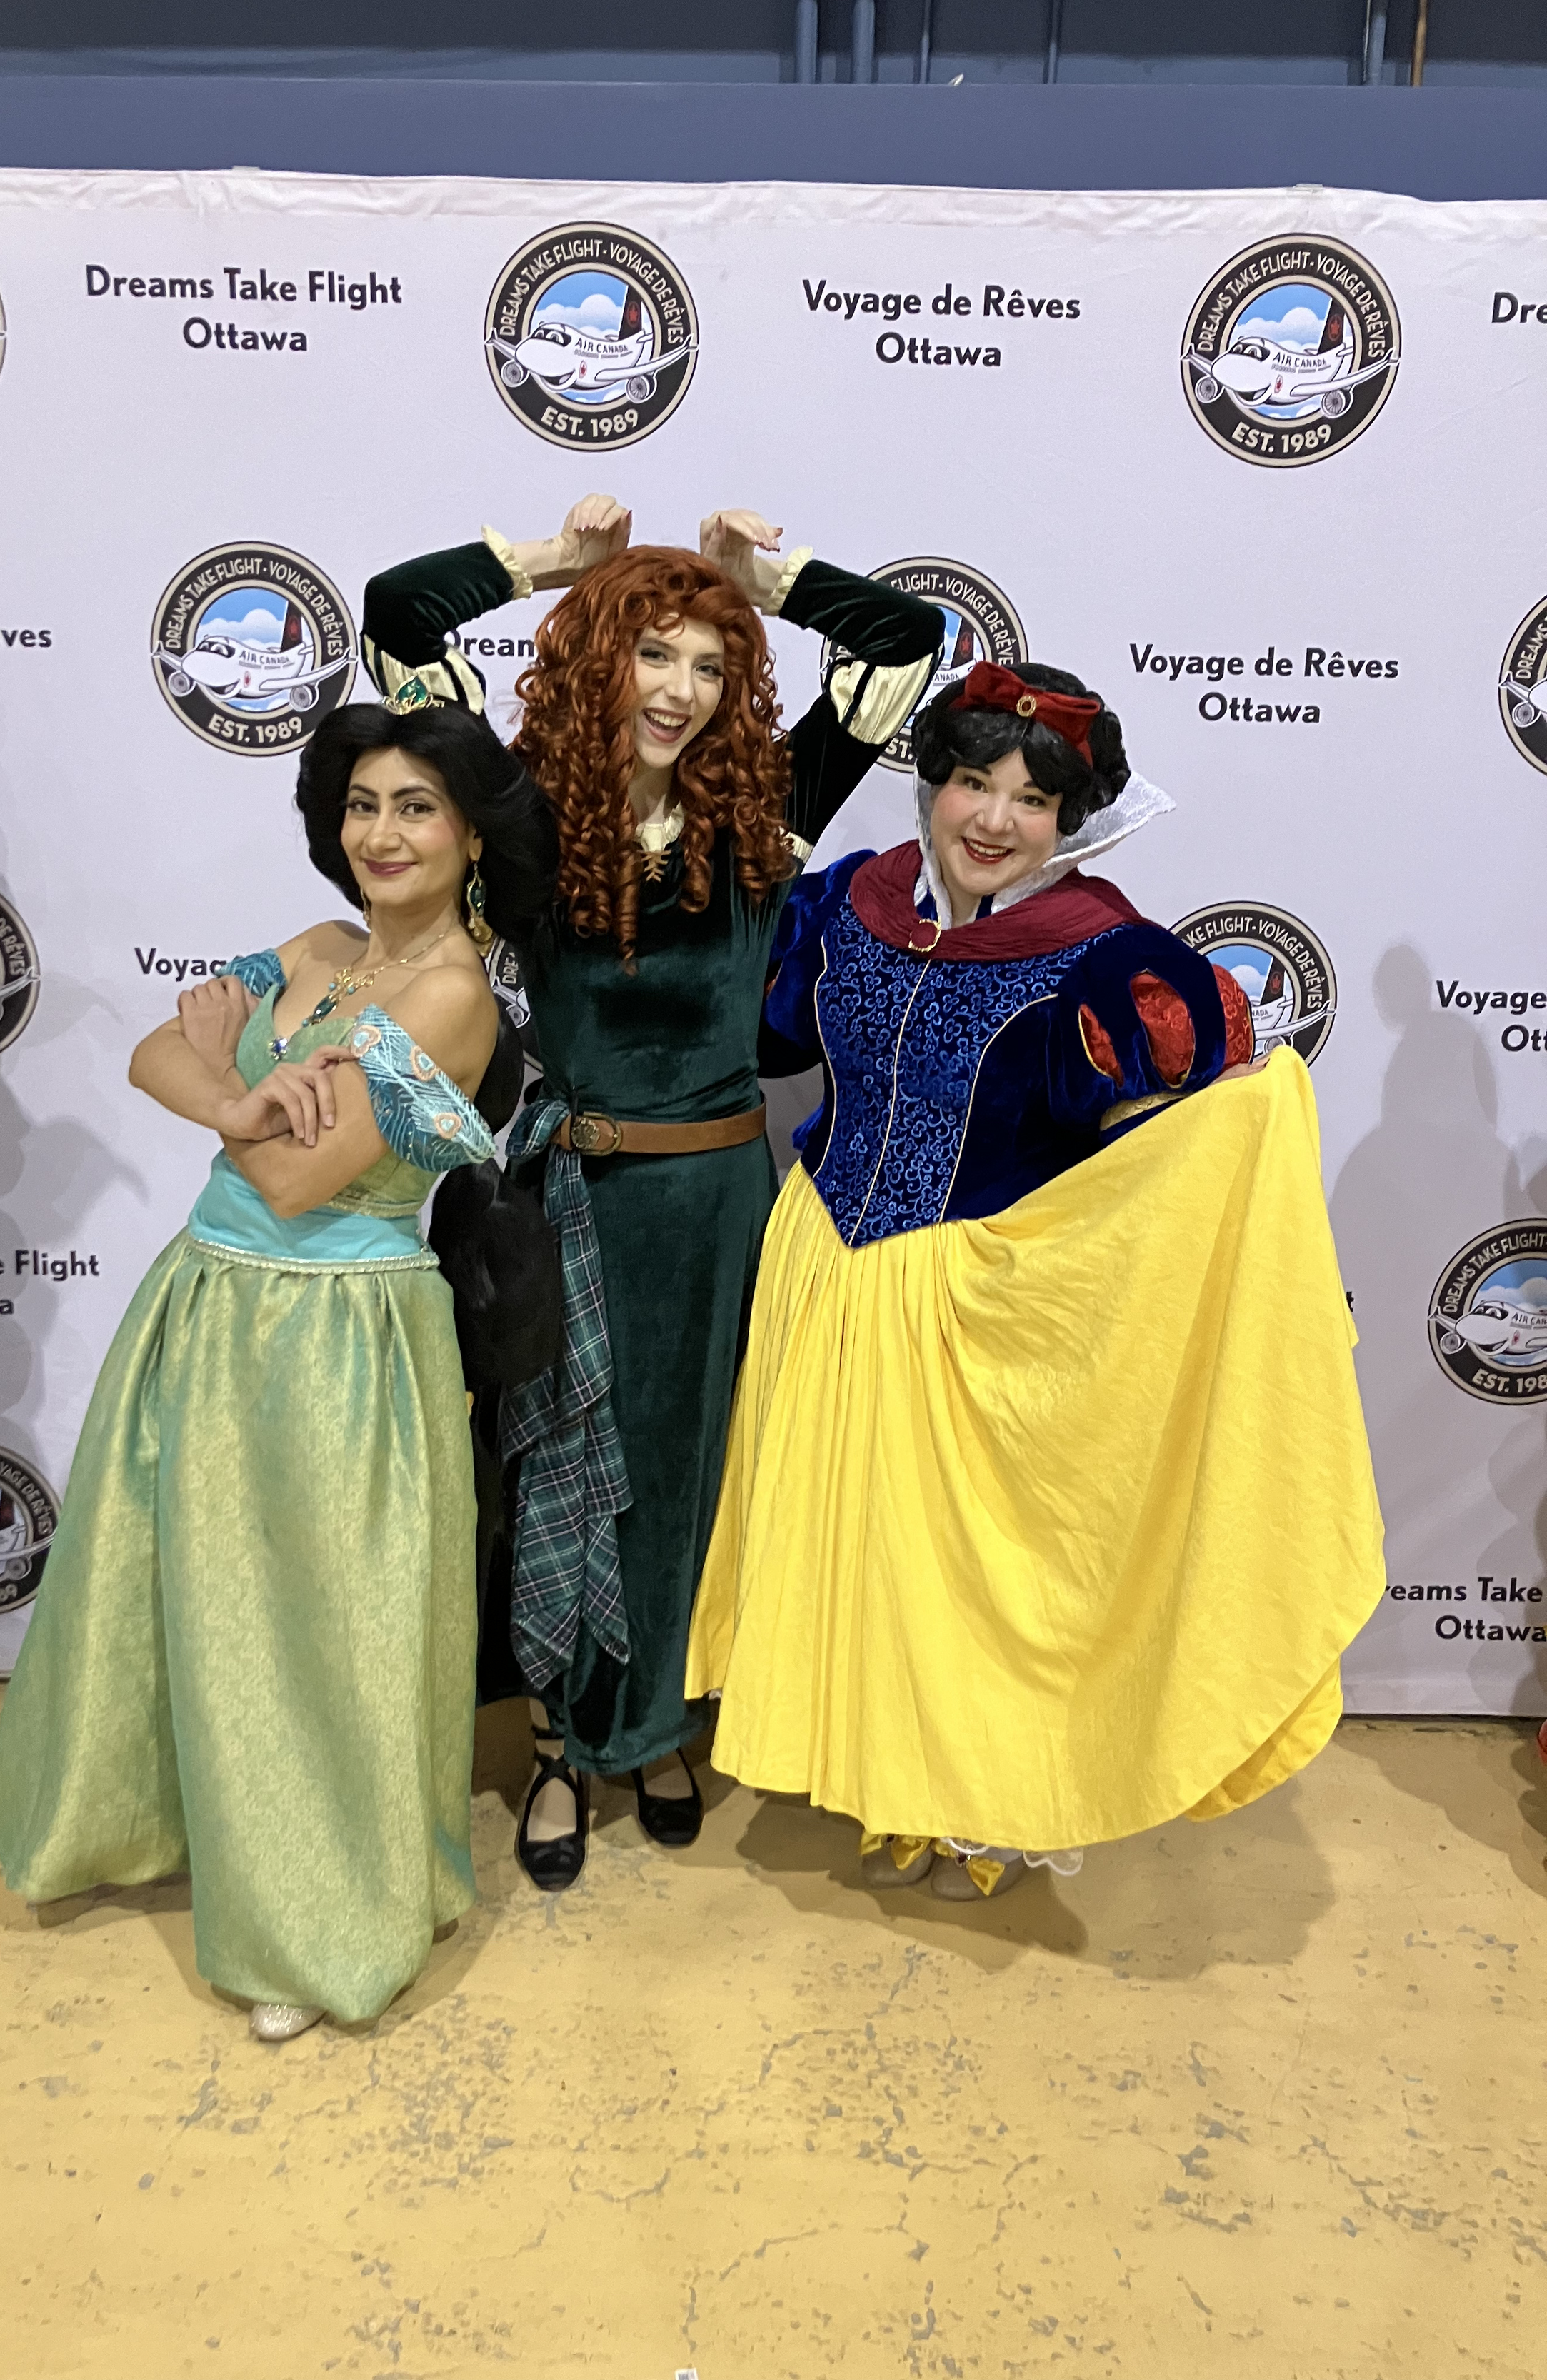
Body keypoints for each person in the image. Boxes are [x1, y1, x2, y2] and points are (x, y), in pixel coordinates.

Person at [686, 661, 1386, 1899]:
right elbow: (771, 1037)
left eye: (1032, 799)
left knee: (976, 1575)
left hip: (976, 1306)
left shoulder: (1103, 956)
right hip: (828, 1277)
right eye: (971, 782)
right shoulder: (848, 902)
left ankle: (990, 1809)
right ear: (933, 783)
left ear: (1074, 818)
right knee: (867, 1557)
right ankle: (888, 1784)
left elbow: (1195, 1105)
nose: (995, 820)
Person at [362, 498, 943, 1888]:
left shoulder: (768, 805)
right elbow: (397, 616)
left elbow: (901, 638)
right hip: (567, 1202)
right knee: (559, 1465)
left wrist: (773, 576)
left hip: (723, 1209)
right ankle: (567, 1741)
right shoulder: (515, 815)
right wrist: (546, 562)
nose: (678, 690)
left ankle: (668, 1722)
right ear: (595, 661)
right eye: (653, 654)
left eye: (705, 662)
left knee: (696, 1469)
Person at [0, 698, 556, 2037]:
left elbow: (301, 1183)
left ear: (472, 833)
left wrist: (214, 1072)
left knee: (312, 1630)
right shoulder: (317, 949)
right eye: (362, 806)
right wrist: (234, 1094)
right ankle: (191, 1830)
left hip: (334, 1337)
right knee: (180, 1590)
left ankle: (315, 1918)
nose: (382, 833)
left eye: (416, 807)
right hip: (205, 1305)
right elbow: (147, 1051)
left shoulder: (453, 996)